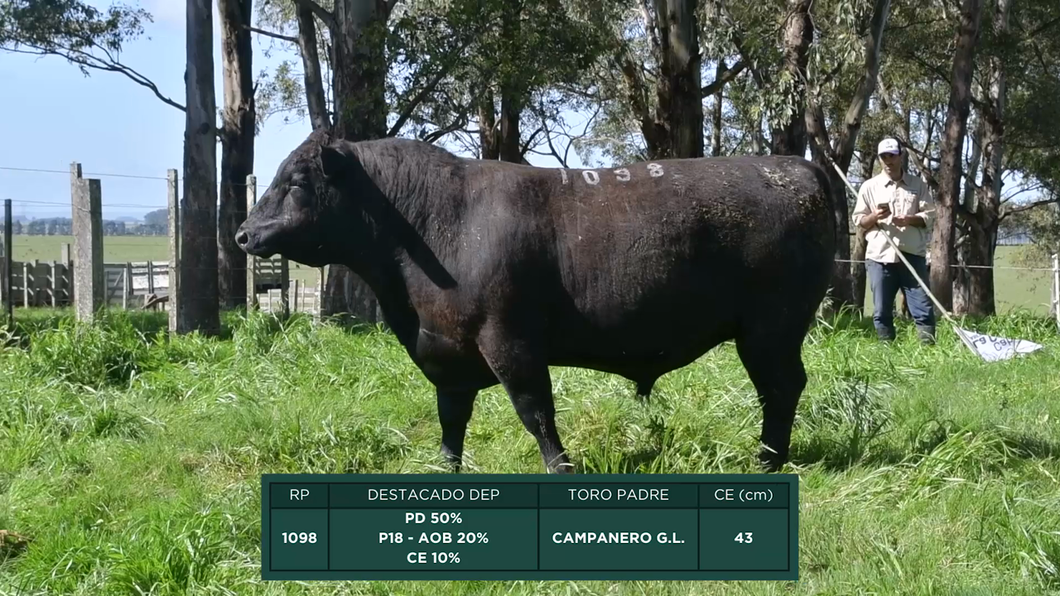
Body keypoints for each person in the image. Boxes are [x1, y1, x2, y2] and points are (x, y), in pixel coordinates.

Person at [852, 137, 937, 344]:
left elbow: (930, 216)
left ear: (901, 157)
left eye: (892, 156)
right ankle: (886, 351)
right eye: (884, 157)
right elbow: (859, 220)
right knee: (881, 310)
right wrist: (874, 217)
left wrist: (909, 219)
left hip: (913, 256)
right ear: (880, 159)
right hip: (879, 258)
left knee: (923, 308)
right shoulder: (869, 187)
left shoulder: (917, 185)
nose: (888, 160)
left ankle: (928, 350)